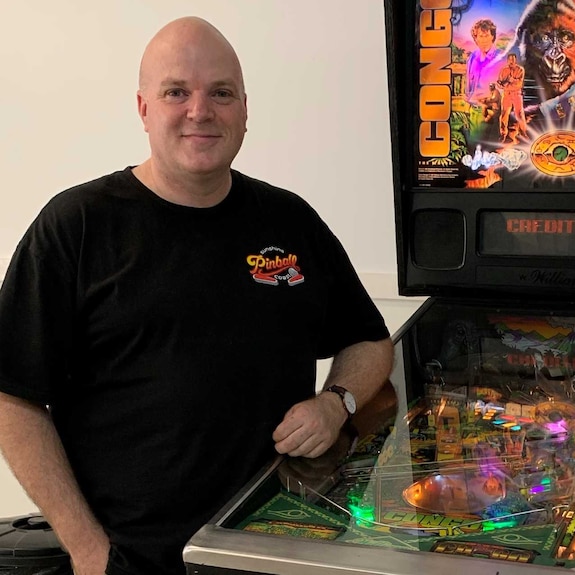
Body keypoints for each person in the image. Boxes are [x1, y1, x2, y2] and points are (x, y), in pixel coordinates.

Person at [0, 17, 393, 575]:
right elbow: (12, 399)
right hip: (135, 559)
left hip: (275, 543)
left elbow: (370, 342)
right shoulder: (76, 226)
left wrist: (337, 403)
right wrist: (88, 551)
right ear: (143, 108)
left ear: (245, 109)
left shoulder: (289, 220)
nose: (200, 111)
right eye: (176, 92)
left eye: (221, 93)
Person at [464, 19, 499, 105]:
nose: (484, 40)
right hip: (473, 109)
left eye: (486, 36)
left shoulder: (500, 58)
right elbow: (468, 88)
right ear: (476, 39)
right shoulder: (472, 58)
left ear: (492, 37)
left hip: (492, 111)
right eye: (481, 36)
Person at [497, 53, 528, 143]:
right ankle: (503, 134)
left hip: (517, 94)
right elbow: (500, 83)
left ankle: (523, 133)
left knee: (519, 114)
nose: (511, 61)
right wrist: (503, 84)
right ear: (507, 60)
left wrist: (512, 80)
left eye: (513, 60)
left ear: (515, 60)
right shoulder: (503, 70)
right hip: (507, 94)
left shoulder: (520, 69)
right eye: (510, 60)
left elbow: (519, 83)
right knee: (504, 114)